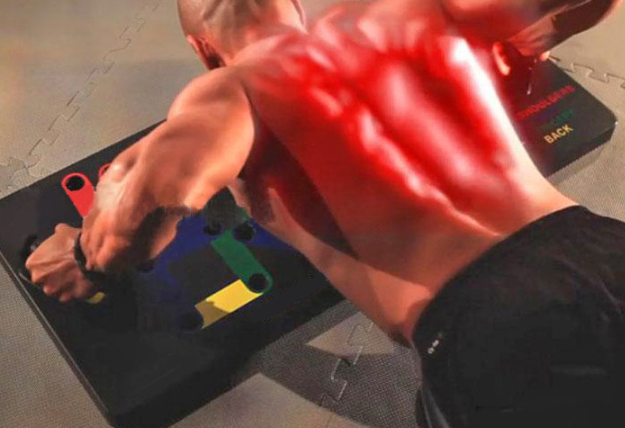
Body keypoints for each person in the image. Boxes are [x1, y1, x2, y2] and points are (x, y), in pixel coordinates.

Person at [25, 0, 624, 426]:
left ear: (203, 49)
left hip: (491, 327)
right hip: (599, 244)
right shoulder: (408, 11)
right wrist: (533, 39)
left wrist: (82, 258)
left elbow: (148, 196)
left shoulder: (234, 89)